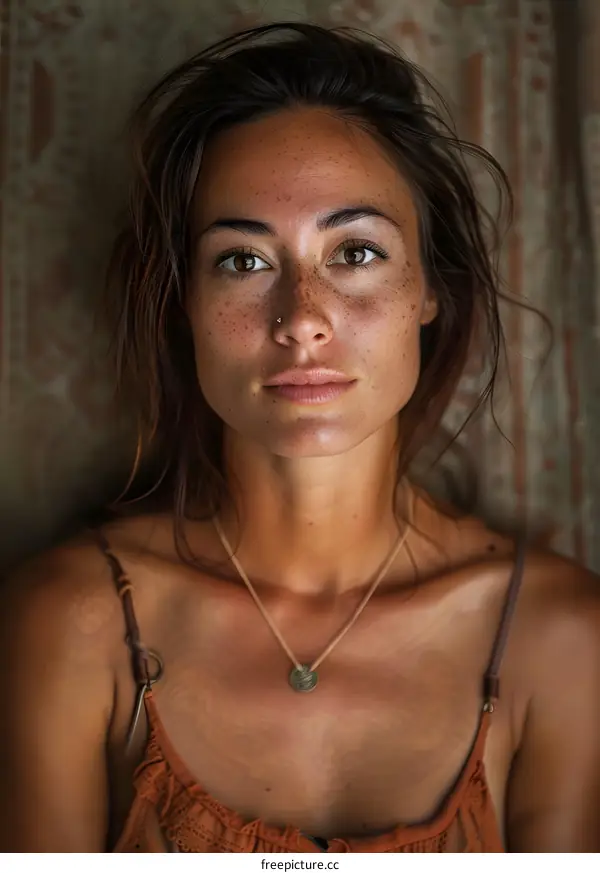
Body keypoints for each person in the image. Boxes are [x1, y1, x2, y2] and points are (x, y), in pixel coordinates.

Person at [1, 22, 599, 854]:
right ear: (184, 304)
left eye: (354, 251)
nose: (303, 319)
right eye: (242, 262)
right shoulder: (73, 624)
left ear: (430, 286)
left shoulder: (556, 635)